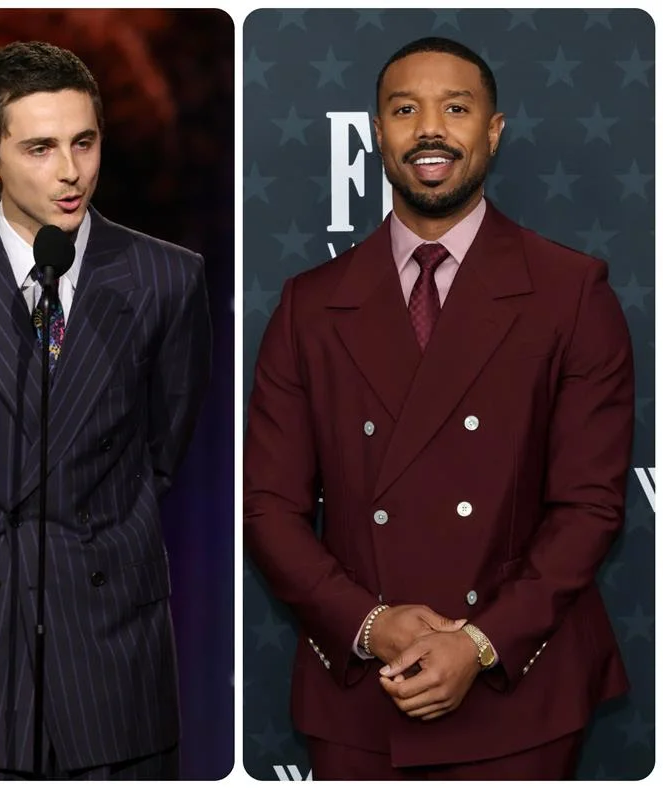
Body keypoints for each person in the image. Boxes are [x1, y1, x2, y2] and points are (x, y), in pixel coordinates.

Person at [244, 36, 633, 780]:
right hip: (360, 693)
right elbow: (268, 508)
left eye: (455, 108)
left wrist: (477, 642)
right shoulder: (309, 305)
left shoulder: (570, 291)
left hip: (520, 689)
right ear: (376, 133)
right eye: (404, 109)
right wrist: (369, 624)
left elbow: (587, 506)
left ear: (491, 131)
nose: (429, 128)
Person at [0, 40, 211, 780]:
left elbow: (163, 447)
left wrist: (92, 536)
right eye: (41, 147)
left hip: (108, 639)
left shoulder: (167, 278)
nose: (70, 171)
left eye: (84, 143)